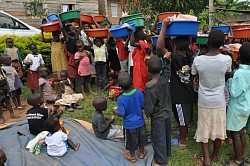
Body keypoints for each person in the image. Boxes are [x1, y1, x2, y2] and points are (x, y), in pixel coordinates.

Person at [191, 29, 232, 166]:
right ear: (222, 44)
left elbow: (193, 74)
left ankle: (206, 159)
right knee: (219, 128)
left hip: (204, 100)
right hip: (219, 100)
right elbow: (228, 73)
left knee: (204, 128)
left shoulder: (198, 60)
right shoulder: (227, 59)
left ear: (207, 42)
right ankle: (215, 156)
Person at [157, 18, 194, 147]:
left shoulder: (174, 57)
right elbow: (188, 43)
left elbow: (159, 47)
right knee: (184, 116)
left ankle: (182, 140)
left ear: (174, 47)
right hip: (188, 93)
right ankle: (185, 134)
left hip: (179, 96)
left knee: (182, 119)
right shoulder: (190, 56)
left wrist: (163, 28)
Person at [113, 72, 147, 163]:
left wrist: (115, 111)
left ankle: (132, 156)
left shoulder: (121, 99)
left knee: (131, 142)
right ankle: (142, 153)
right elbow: (143, 106)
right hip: (140, 123)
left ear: (119, 86)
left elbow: (122, 113)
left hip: (129, 125)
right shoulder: (139, 93)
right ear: (132, 82)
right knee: (141, 139)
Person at [144, 55, 172, 166]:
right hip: (167, 113)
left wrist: (148, 113)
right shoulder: (165, 78)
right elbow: (167, 69)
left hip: (157, 117)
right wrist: (167, 61)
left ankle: (160, 160)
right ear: (161, 69)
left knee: (158, 138)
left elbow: (149, 104)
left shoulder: (149, 86)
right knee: (167, 134)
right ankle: (167, 153)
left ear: (148, 70)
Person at [226, 42, 250, 166]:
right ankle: (241, 155)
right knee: (242, 132)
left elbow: (234, 92)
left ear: (239, 56)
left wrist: (230, 79)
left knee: (235, 133)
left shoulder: (239, 74)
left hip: (237, 108)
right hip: (246, 106)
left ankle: (238, 160)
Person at [59, 19, 82, 91]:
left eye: (74, 29)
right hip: (71, 57)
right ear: (68, 32)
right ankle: (72, 87)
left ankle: (74, 86)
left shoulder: (76, 37)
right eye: (72, 29)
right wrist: (60, 18)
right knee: (71, 73)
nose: (74, 30)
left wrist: (79, 18)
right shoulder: (67, 38)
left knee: (76, 73)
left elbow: (80, 27)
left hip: (77, 56)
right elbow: (62, 28)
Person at [0, 58, 20, 124]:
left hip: (5, 89)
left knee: (8, 102)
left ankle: (12, 114)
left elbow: (5, 78)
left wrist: (8, 86)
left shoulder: (1, 70)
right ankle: (1, 117)